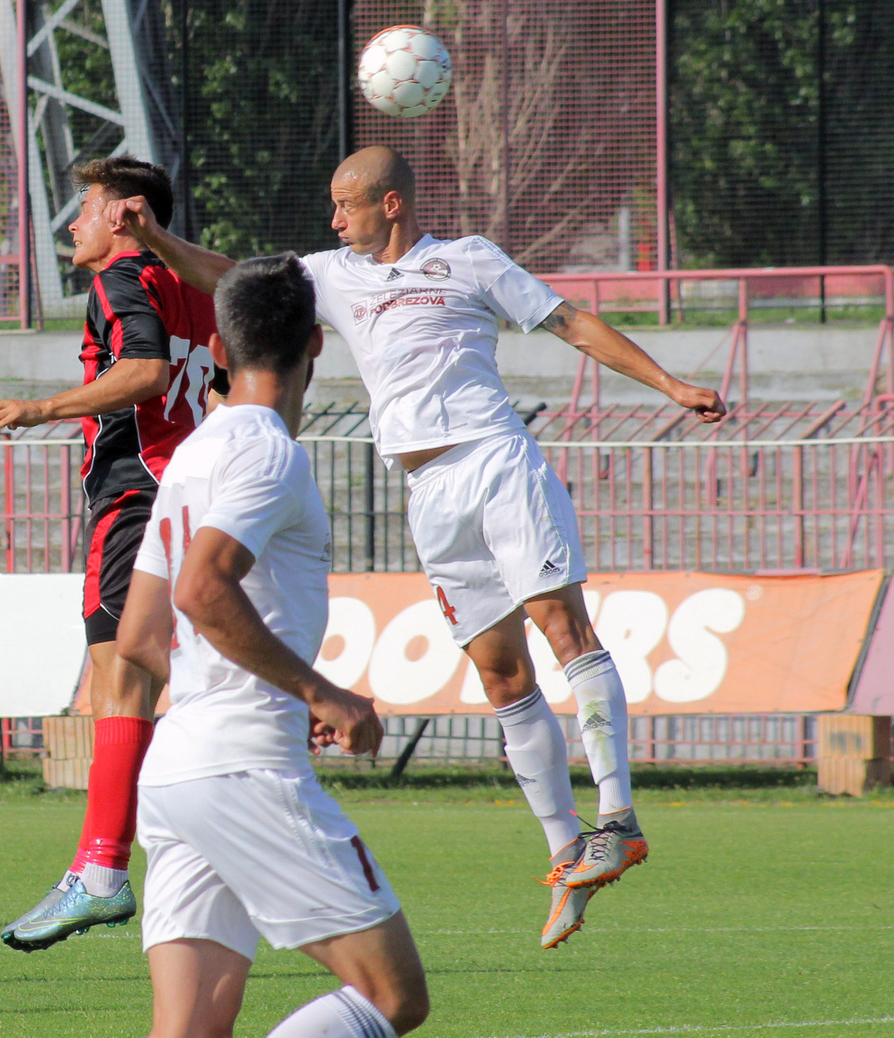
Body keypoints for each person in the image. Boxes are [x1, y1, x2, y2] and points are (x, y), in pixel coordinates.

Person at [110, 145, 727, 949]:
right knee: (500, 670)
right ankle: (567, 848)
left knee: (561, 626)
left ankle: (618, 817)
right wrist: (158, 241)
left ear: (390, 204)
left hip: (496, 458)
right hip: (427, 490)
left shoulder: (469, 262)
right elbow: (238, 283)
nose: (334, 220)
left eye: (346, 204)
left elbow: (570, 322)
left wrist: (673, 385)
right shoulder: (331, 274)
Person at [117, 254, 429, 1037]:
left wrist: (260, 685)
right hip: (245, 762)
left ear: (218, 350)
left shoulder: (191, 455)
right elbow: (202, 589)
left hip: (178, 767)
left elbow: (140, 633)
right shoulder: (269, 450)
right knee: (393, 999)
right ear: (316, 346)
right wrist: (317, 691)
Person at [0, 156, 221, 951]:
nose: (72, 224)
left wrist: (38, 407)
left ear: (125, 216)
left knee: (121, 677)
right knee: (153, 677)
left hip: (136, 495)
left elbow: (144, 371)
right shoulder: (201, 285)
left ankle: (103, 872)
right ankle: (118, 859)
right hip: (194, 490)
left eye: (84, 207)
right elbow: (218, 384)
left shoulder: (121, 279)